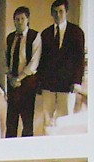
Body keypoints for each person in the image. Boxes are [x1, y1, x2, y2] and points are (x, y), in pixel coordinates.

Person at [36, 1, 85, 135]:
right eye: (55, 12)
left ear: (66, 12)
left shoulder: (76, 32)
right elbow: (41, 60)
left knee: (65, 119)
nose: (58, 15)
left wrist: (76, 81)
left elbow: (79, 59)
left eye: (61, 11)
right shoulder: (45, 34)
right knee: (47, 119)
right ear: (52, 13)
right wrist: (39, 82)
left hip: (67, 84)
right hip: (48, 84)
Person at [4, 7, 41, 139]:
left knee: (27, 122)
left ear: (27, 20)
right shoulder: (10, 38)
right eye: (17, 19)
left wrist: (19, 78)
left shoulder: (34, 36)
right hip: (12, 84)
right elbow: (6, 59)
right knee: (11, 122)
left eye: (22, 19)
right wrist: (10, 77)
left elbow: (34, 62)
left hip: (27, 84)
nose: (19, 22)